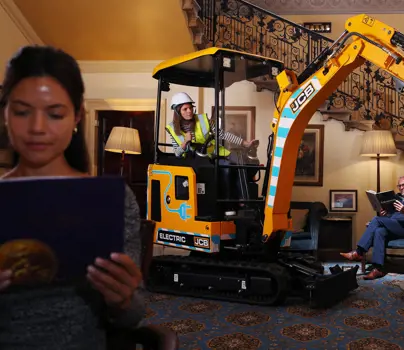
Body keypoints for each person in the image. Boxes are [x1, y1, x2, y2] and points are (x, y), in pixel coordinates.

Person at [0, 45, 144, 349]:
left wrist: (123, 299)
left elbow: (133, 315)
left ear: (77, 116)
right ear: (5, 113)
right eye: (22, 112)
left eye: (54, 114)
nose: (37, 128)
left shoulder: (112, 201)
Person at [165, 92, 257, 214]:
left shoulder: (203, 120)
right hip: (195, 161)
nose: (189, 111)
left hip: (215, 155)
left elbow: (222, 134)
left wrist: (244, 143)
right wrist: (186, 142)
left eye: (190, 107)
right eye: (185, 109)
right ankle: (227, 205)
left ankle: (242, 201)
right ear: (177, 111)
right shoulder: (172, 129)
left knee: (239, 163)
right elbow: (177, 153)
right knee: (225, 169)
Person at [340, 176, 404, 280]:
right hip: (392, 226)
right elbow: (391, 217)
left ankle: (359, 252)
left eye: (403, 185)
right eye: (399, 185)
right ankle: (378, 269)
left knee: (376, 220)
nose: (401, 187)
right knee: (379, 231)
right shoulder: (395, 198)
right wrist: (384, 214)